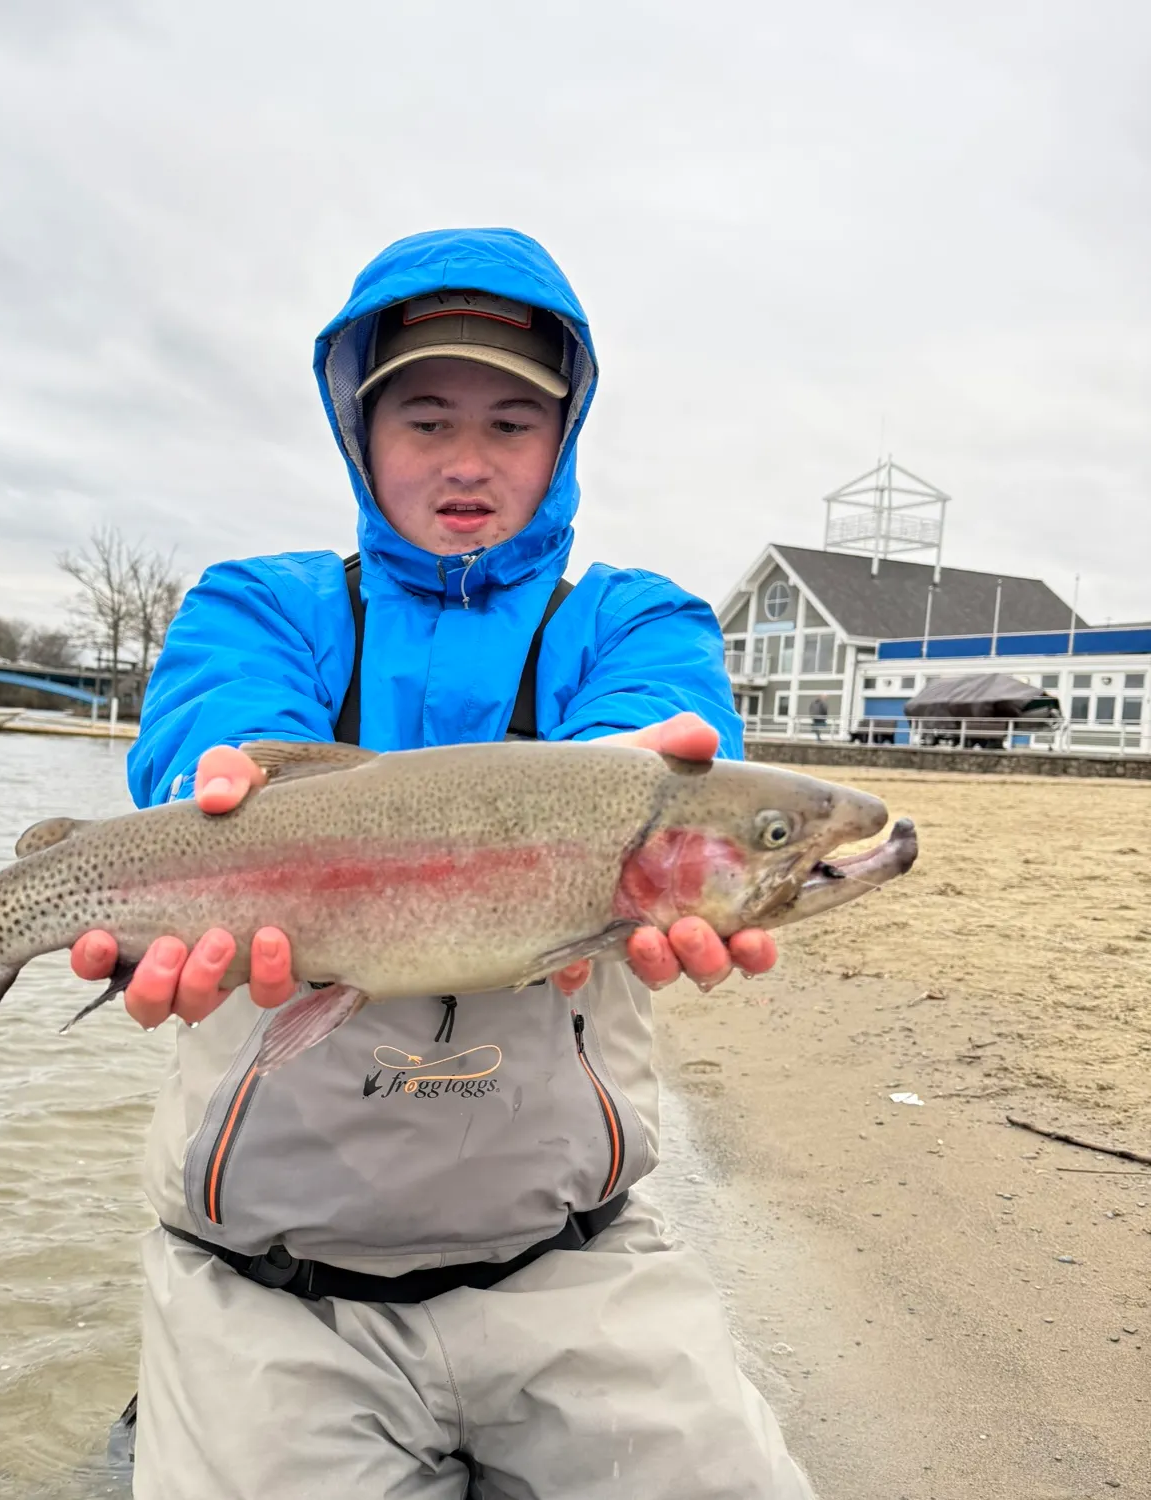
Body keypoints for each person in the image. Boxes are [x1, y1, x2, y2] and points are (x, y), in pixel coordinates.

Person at [72, 228, 815, 1499]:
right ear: (360, 438)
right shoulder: (261, 603)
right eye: (424, 420)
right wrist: (217, 786)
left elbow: (656, 735)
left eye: (513, 423)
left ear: (564, 439)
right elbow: (206, 737)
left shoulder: (634, 621)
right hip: (266, 1292)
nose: (468, 462)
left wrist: (637, 801)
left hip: (576, 1267)